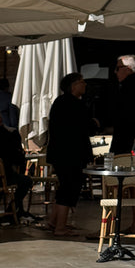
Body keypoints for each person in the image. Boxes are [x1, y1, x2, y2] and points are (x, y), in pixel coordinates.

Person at [42, 71, 94, 237]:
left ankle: (54, 222)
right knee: (69, 187)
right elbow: (86, 126)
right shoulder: (73, 104)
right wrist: (94, 123)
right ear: (73, 86)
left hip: (61, 153)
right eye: (81, 81)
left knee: (64, 187)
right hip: (71, 154)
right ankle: (60, 227)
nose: (84, 84)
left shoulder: (60, 102)